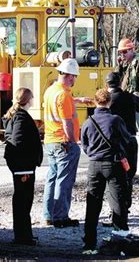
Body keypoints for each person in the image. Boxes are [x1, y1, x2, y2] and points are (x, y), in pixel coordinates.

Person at [42, 58, 92, 228]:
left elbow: (62, 104)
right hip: (63, 142)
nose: (74, 80)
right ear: (70, 76)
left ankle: (48, 215)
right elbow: (67, 122)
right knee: (64, 180)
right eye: (74, 77)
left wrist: (78, 100)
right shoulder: (63, 95)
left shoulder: (51, 91)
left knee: (52, 178)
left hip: (51, 140)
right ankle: (60, 217)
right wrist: (73, 142)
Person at [80, 88, 131, 254]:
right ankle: (120, 240)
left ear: (95, 102)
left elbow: (85, 145)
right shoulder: (115, 120)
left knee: (93, 203)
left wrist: (94, 154)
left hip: (94, 165)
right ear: (110, 102)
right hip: (113, 163)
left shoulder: (88, 122)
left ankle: (89, 244)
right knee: (117, 202)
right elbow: (127, 139)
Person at [2, 87, 43, 246]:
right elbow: (17, 142)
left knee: (22, 201)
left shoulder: (15, 115)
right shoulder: (20, 117)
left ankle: (24, 234)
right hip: (23, 167)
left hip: (21, 166)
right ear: (28, 99)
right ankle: (23, 236)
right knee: (23, 201)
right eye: (32, 97)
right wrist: (23, 166)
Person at [106, 72, 139, 213]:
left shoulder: (108, 100)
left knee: (115, 177)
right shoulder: (130, 97)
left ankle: (115, 208)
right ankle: (126, 205)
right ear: (120, 82)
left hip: (116, 142)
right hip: (131, 140)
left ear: (107, 84)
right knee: (128, 173)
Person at [114, 38, 139, 135]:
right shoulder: (124, 64)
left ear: (132, 50)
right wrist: (119, 65)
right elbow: (116, 77)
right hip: (125, 97)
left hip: (135, 98)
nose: (122, 55)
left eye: (124, 52)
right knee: (128, 125)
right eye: (120, 53)